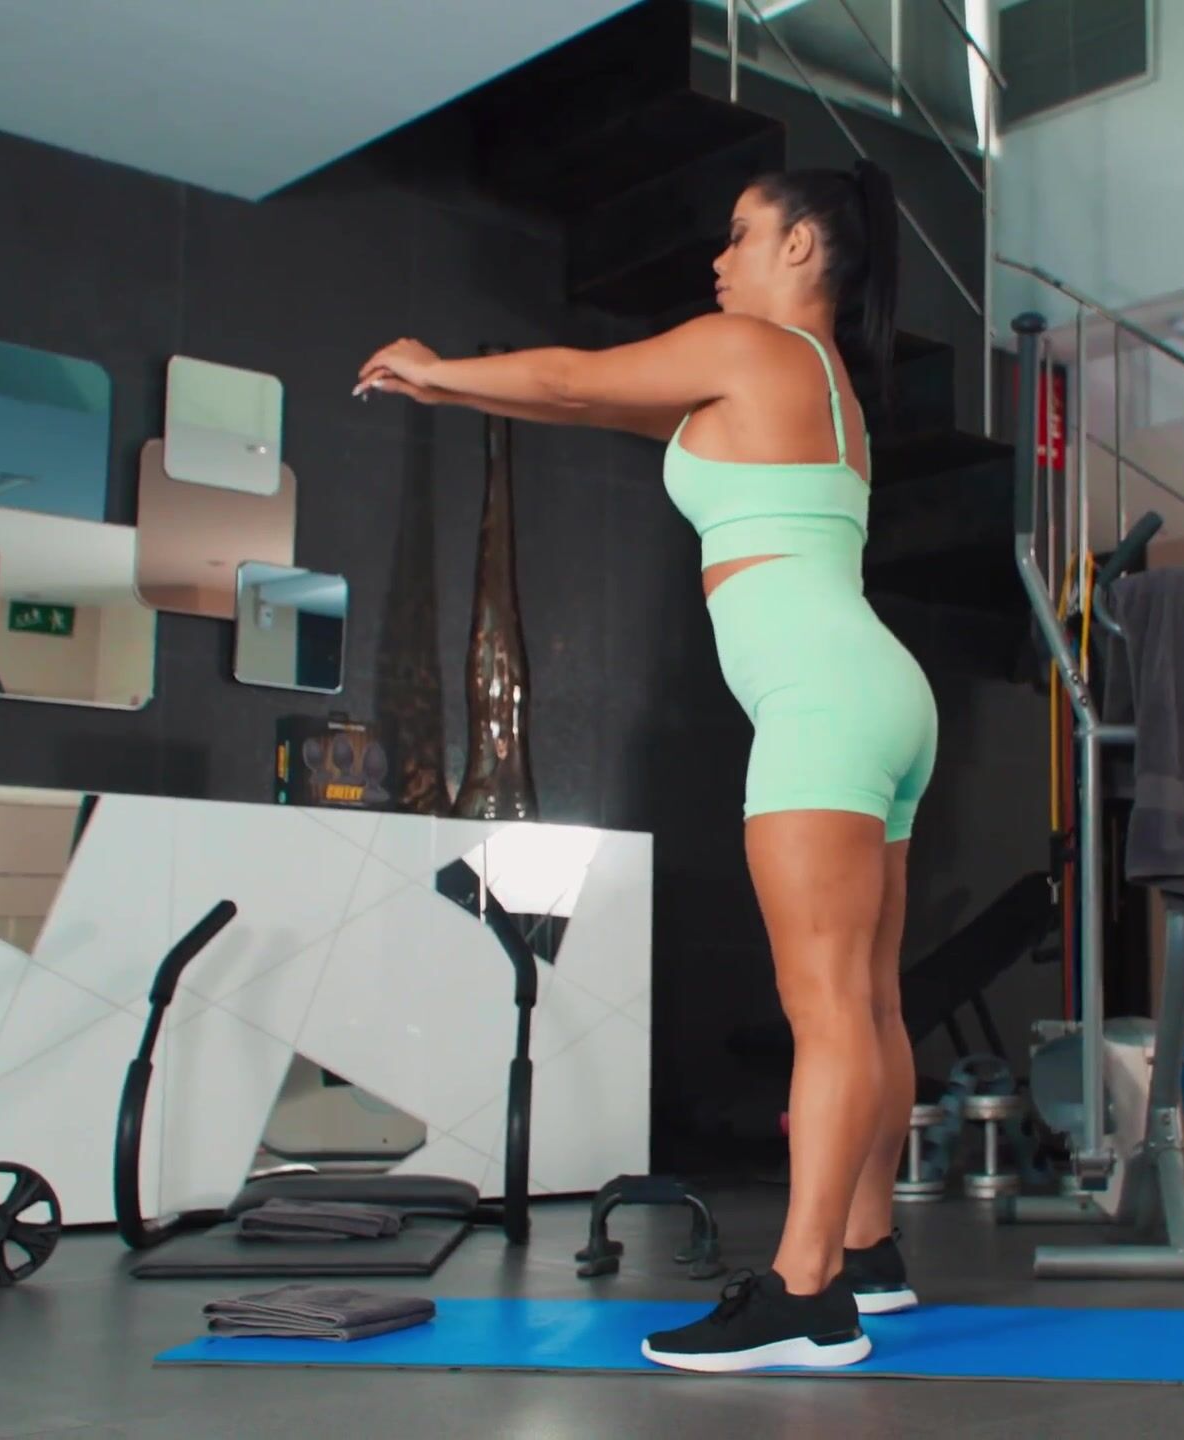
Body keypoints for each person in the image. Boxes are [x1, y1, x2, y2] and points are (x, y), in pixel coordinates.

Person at [358, 160, 934, 1373]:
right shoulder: (820, 384)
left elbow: (574, 378)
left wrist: (437, 370)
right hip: (882, 695)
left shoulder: (751, 348)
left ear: (803, 247)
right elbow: (593, 404)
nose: (718, 261)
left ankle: (806, 1295)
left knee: (827, 1007)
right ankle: (868, 1250)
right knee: (870, 1001)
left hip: (824, 705)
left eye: (740, 235)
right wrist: (465, 393)